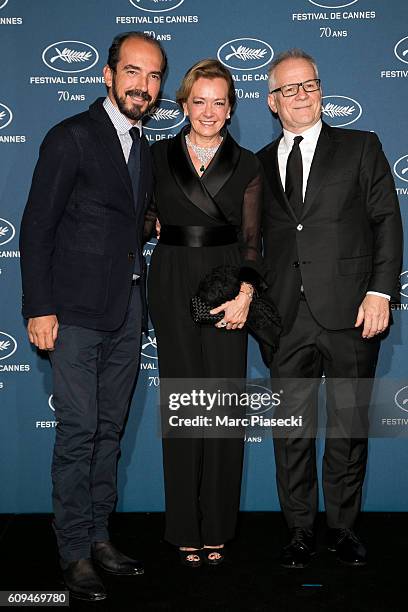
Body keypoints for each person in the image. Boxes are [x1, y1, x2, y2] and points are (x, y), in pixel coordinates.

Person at [19, 32, 167, 601]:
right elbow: (37, 227)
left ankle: (101, 536)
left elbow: (130, 216)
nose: (143, 86)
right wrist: (39, 308)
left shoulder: (143, 146)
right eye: (133, 72)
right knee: (78, 433)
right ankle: (73, 552)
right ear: (107, 75)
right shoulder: (72, 137)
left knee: (109, 432)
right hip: (74, 312)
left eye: (154, 77)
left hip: (128, 310)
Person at [257, 49, 403, 569]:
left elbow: (387, 219)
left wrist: (381, 291)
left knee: (347, 426)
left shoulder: (361, 147)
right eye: (290, 89)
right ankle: (298, 530)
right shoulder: (258, 164)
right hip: (285, 321)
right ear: (272, 102)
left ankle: (341, 529)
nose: (302, 95)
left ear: (321, 89)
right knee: (291, 433)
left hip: (352, 314)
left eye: (310, 85)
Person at [145, 59, 263, 567]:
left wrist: (245, 294)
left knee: (220, 406)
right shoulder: (155, 156)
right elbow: (141, 214)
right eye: (200, 101)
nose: (209, 111)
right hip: (172, 280)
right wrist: (150, 222)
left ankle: (216, 525)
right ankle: (182, 527)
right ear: (184, 104)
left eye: (220, 102)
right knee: (183, 405)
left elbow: (255, 240)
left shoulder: (249, 164)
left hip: (224, 282)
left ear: (232, 108)